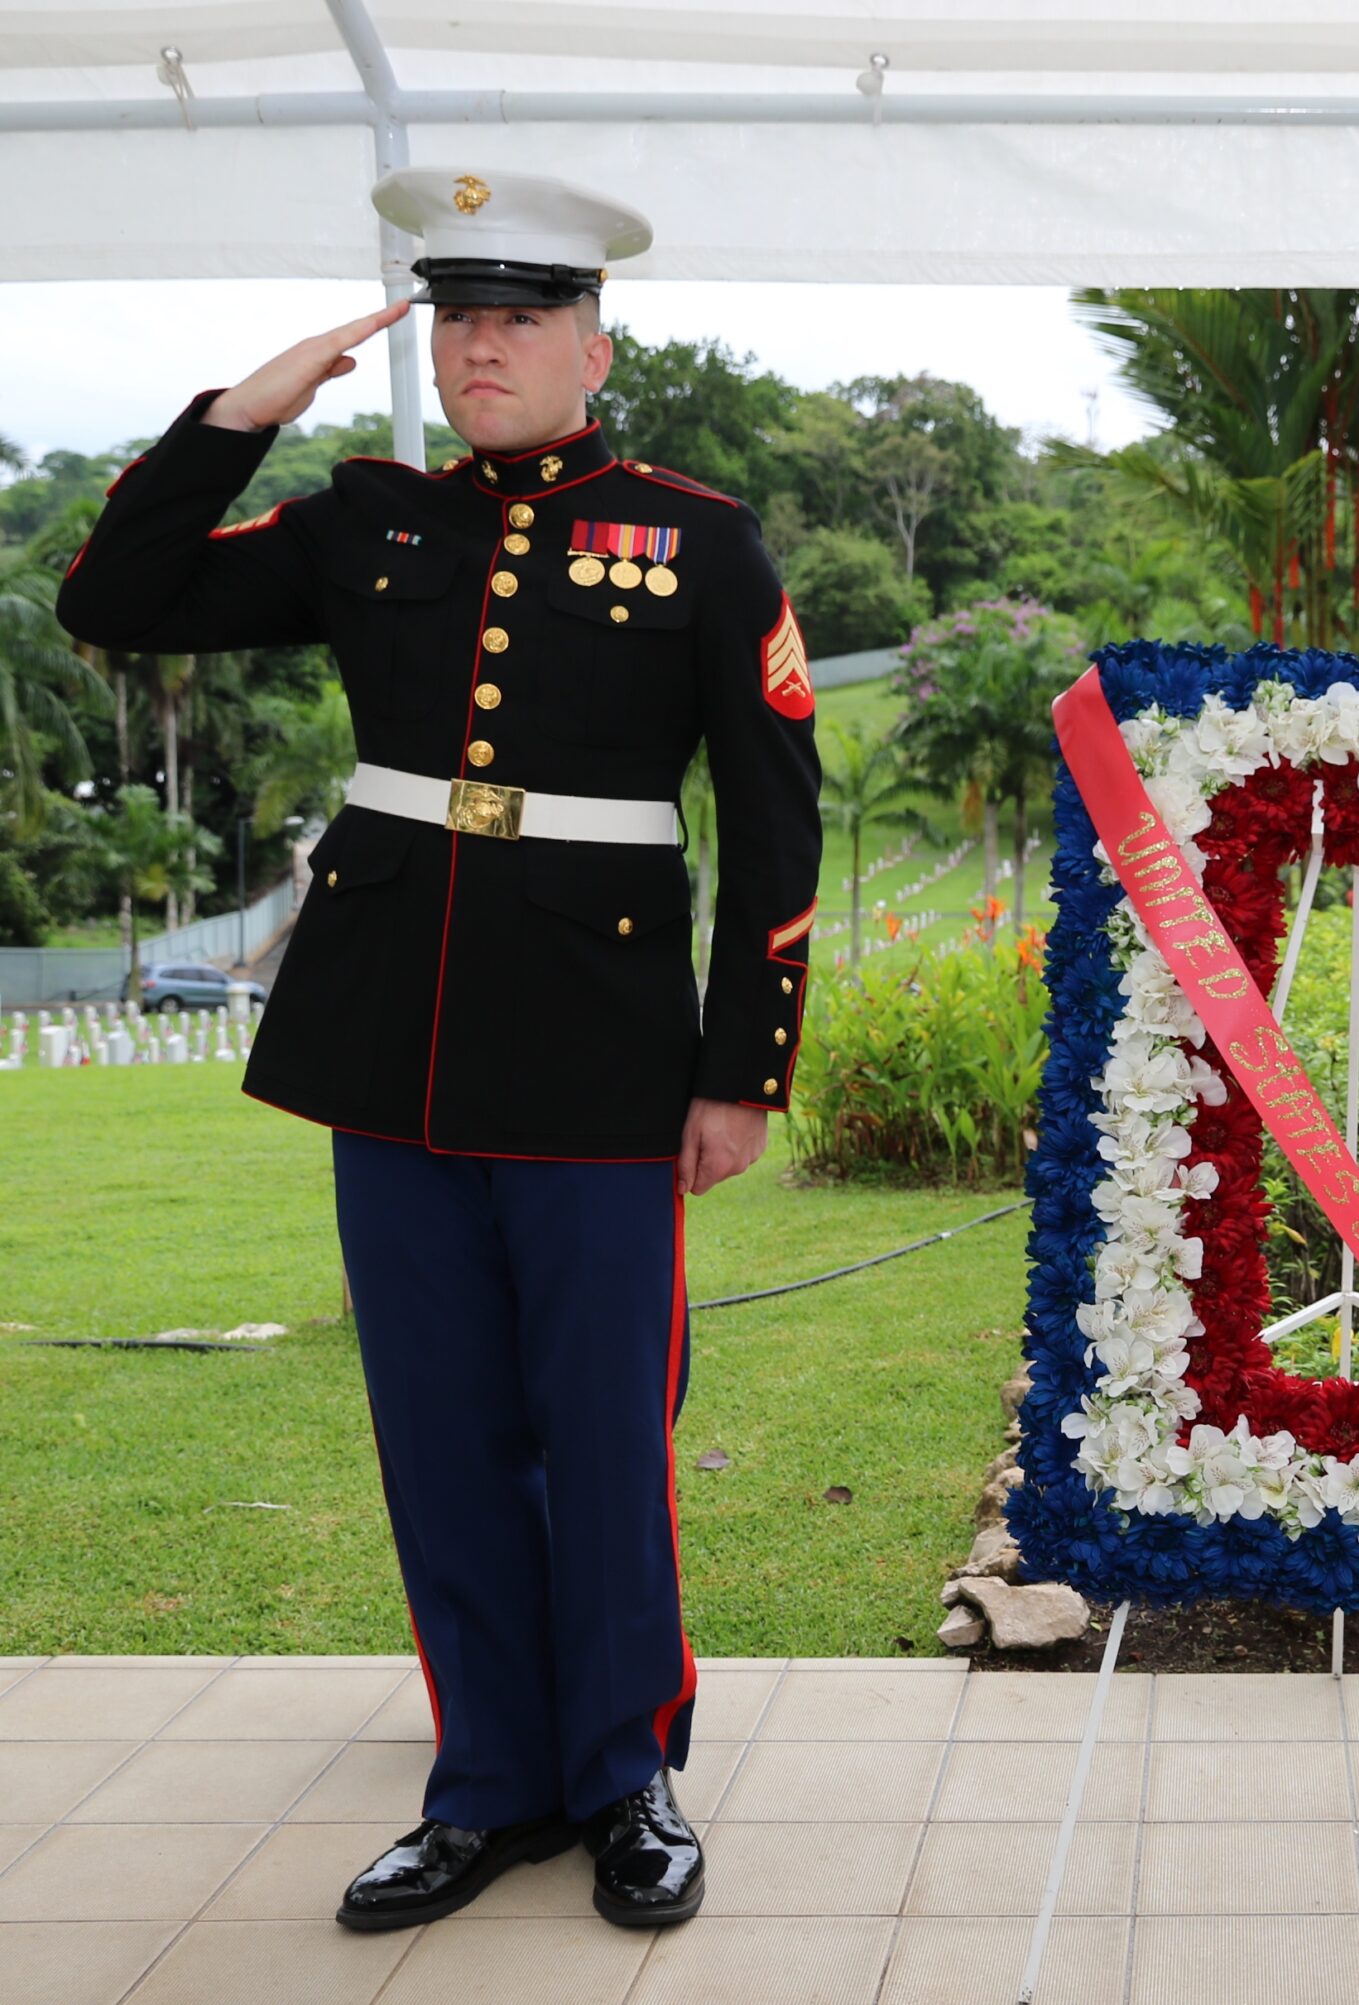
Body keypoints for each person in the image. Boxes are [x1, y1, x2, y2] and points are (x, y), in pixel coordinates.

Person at [57, 167, 823, 1931]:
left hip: (602, 1053)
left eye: (524, 317)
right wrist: (248, 410)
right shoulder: (363, 521)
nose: (487, 345)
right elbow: (120, 592)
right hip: (385, 1041)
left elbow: (773, 830)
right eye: (460, 318)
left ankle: (625, 1778)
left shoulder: (697, 539)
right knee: (441, 1430)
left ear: (592, 346)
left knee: (606, 1430)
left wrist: (742, 1068)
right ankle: (485, 1781)